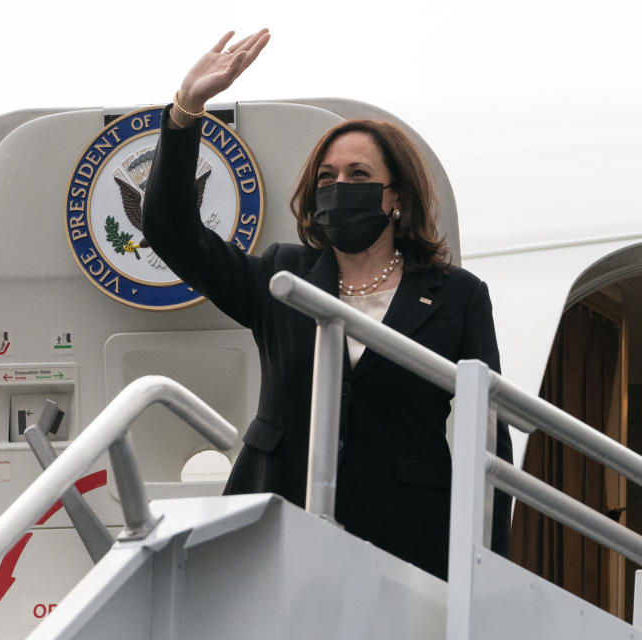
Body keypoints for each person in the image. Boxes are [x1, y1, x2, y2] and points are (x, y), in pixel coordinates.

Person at [141, 29, 512, 580]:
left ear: (396, 198)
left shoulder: (457, 296)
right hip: (278, 521)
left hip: (406, 538)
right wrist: (185, 112)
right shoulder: (280, 275)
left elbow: (493, 441)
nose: (340, 186)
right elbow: (169, 231)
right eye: (327, 177)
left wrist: (491, 568)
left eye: (359, 176)